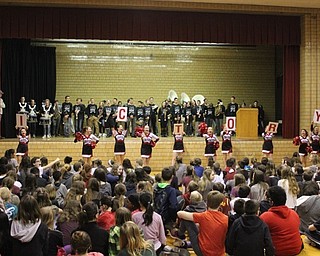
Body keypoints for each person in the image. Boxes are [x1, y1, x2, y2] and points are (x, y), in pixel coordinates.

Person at [177, 191, 228, 256]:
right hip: (220, 253)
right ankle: (186, 241)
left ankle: (180, 235)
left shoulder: (203, 216)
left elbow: (179, 213)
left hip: (203, 252)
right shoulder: (226, 219)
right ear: (220, 203)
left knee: (186, 219)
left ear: (207, 202)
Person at [260, 186, 303, 256]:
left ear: (271, 202)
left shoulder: (265, 217)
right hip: (296, 249)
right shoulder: (294, 213)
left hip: (277, 252)